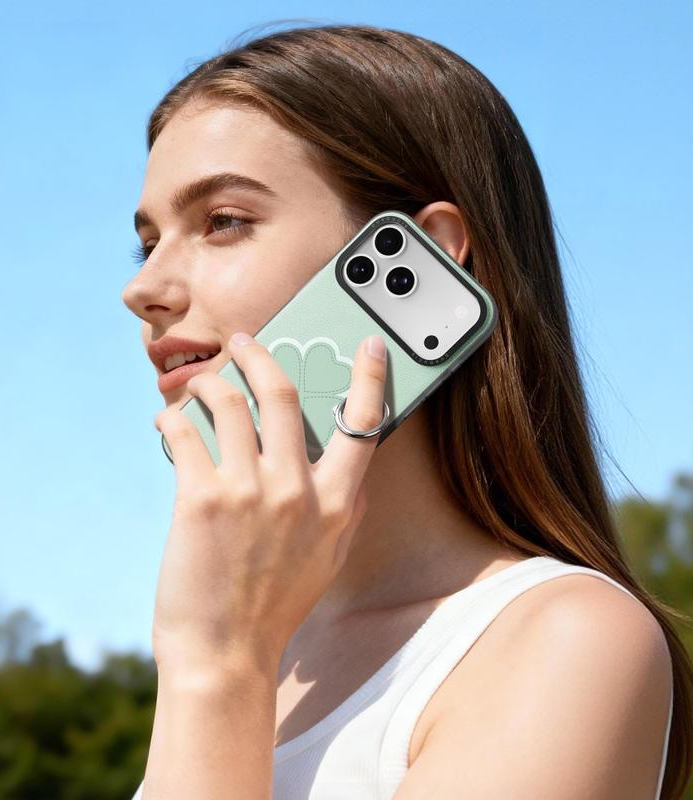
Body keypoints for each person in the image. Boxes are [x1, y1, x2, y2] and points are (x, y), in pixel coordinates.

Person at [121, 23, 691, 800]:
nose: (143, 289)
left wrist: (217, 666)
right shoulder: (259, 646)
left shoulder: (567, 640)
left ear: (425, 261)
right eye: (148, 243)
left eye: (224, 222)